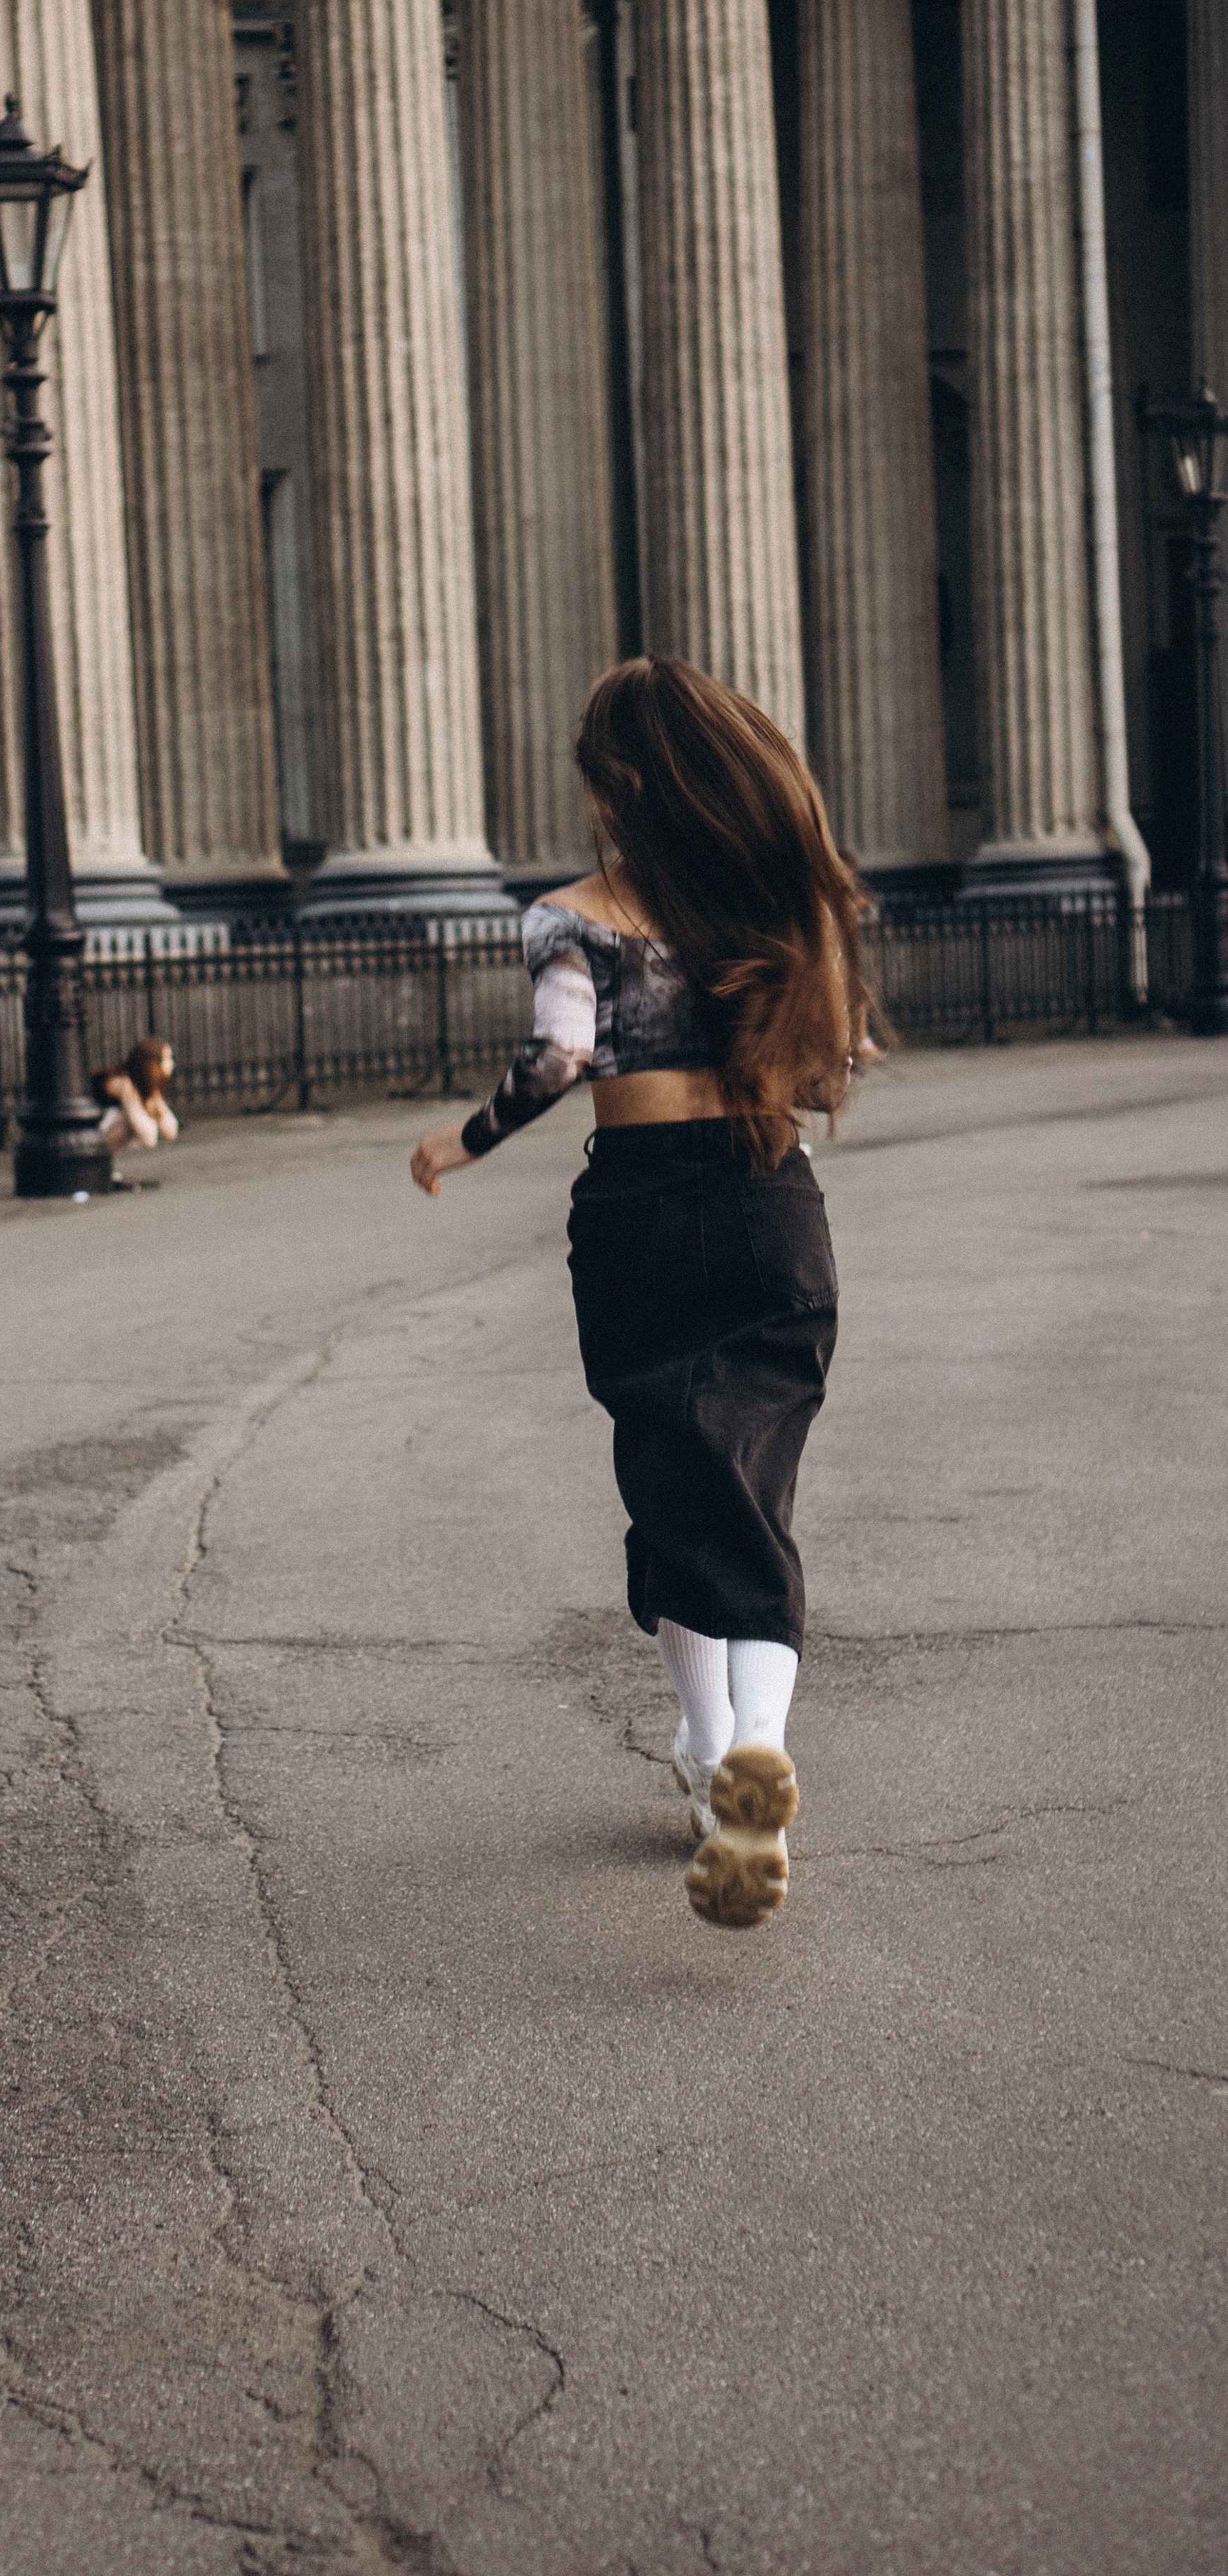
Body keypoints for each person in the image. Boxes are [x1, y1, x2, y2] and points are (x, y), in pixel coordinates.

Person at [409, 658, 871, 1931]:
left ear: (618, 785)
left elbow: (561, 1053)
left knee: (670, 1482)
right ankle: (749, 1752)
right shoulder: (781, 910)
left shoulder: (577, 918)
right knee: (752, 1493)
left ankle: (721, 1757)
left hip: (645, 1212)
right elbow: (839, 1061)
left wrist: (464, 1140)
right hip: (775, 1205)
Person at [95, 1037, 180, 1159]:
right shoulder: (124, 1083)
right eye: (166, 1059)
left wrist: (155, 1098)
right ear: (151, 1064)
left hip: (102, 1138)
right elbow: (149, 1138)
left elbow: (171, 1131)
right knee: (127, 1122)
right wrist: (151, 1104)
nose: (171, 1063)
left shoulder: (145, 1085)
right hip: (94, 1137)